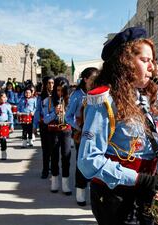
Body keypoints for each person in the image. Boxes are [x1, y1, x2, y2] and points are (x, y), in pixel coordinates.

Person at [77, 27, 158, 225]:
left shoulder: (142, 97)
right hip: (117, 195)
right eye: (145, 60)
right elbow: (88, 161)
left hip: (146, 189)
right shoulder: (104, 99)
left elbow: (140, 142)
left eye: (152, 61)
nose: (153, 68)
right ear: (125, 63)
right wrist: (140, 179)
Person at [65, 67, 98, 206]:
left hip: (97, 135)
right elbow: (68, 117)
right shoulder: (77, 95)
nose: (95, 82)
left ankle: (95, 193)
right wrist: (81, 128)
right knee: (82, 162)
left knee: (97, 163)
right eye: (92, 79)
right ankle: (80, 192)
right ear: (85, 79)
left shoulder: (99, 94)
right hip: (81, 134)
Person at [43, 77, 73, 195]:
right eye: (58, 90)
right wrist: (54, 112)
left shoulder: (70, 101)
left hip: (66, 131)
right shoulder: (48, 101)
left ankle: (65, 184)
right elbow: (45, 120)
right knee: (54, 156)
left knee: (66, 157)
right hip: (53, 131)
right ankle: (54, 181)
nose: (60, 93)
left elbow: (73, 119)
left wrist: (66, 116)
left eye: (63, 91)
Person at [33, 76, 54, 179]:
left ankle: (54, 169)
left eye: (52, 83)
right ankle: (45, 170)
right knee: (45, 149)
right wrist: (34, 126)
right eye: (49, 83)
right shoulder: (41, 97)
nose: (51, 85)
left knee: (53, 149)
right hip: (44, 126)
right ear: (45, 84)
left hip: (55, 125)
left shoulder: (57, 96)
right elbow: (37, 111)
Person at [0, 91, 14, 161]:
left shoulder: (7, 105)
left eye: (5, 97)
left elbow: (10, 115)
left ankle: (3, 153)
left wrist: (11, 125)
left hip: (4, 124)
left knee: (3, 140)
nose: (5, 99)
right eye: (3, 97)